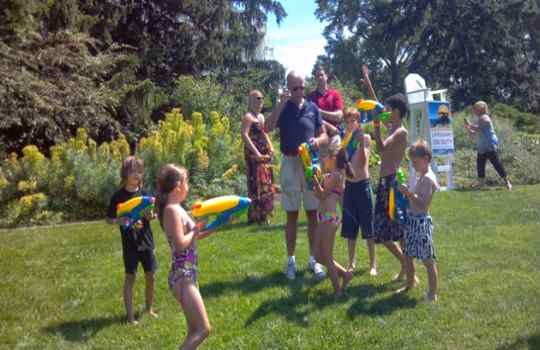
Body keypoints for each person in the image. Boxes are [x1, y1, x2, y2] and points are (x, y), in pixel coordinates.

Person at [265, 71, 329, 280]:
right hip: (290, 162)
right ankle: (291, 261)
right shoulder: (283, 108)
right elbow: (267, 127)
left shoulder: (313, 107)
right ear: (288, 88)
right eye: (295, 88)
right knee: (292, 214)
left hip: (310, 162)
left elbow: (324, 135)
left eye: (302, 87)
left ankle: (314, 260)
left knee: (312, 213)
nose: (300, 92)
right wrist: (280, 104)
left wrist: (318, 142)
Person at [362, 66, 411, 282]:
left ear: (398, 112)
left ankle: (408, 269)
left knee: (396, 229)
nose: (386, 112)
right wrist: (367, 80)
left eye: (390, 109)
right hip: (385, 182)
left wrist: (375, 126)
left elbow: (381, 148)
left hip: (392, 184)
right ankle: (405, 266)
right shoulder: (392, 125)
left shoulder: (400, 131)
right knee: (383, 230)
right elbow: (376, 104)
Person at [156, 164, 212, 349]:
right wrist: (195, 231)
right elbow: (180, 243)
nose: (188, 186)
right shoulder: (171, 210)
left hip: (188, 274)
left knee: (193, 331)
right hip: (182, 277)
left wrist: (221, 221)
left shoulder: (178, 208)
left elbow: (196, 235)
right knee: (203, 329)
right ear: (178, 185)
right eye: (186, 181)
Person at [106, 156, 158, 324]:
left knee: (151, 275)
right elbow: (109, 219)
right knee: (130, 277)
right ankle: (130, 317)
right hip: (129, 243)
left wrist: (151, 216)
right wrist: (121, 221)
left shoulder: (144, 194)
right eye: (133, 171)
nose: (137, 174)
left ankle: (149, 308)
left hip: (146, 240)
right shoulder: (118, 197)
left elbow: (152, 214)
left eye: (140, 171)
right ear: (125, 174)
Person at [397, 140, 440, 302]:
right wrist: (407, 189)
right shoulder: (420, 175)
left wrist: (409, 194)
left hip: (421, 223)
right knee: (407, 255)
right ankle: (409, 283)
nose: (413, 165)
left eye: (415, 162)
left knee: (427, 260)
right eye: (412, 161)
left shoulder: (428, 179)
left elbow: (423, 204)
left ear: (426, 159)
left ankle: (432, 293)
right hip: (412, 220)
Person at [340, 108, 378, 277]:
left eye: (352, 121)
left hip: (362, 185)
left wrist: (361, 143)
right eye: (347, 121)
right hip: (349, 187)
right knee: (350, 228)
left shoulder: (366, 138)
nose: (349, 124)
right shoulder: (344, 141)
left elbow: (362, 163)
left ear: (358, 121)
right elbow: (341, 165)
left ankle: (373, 264)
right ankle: (351, 263)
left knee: (368, 227)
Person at [313, 147, 355, 296]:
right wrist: (316, 184)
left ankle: (338, 291)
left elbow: (324, 195)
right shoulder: (332, 175)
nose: (323, 160)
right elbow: (319, 195)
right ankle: (345, 274)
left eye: (326, 157)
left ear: (333, 159)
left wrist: (316, 181)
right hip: (323, 217)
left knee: (327, 256)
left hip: (329, 218)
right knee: (317, 255)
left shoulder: (336, 175)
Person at [242, 89, 275, 224]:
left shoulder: (260, 117)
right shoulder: (248, 117)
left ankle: (265, 214)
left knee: (266, 183)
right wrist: (256, 153)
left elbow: (264, 133)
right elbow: (244, 135)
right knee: (255, 183)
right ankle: (255, 216)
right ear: (251, 101)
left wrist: (271, 146)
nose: (260, 101)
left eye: (261, 98)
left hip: (263, 154)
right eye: (257, 98)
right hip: (253, 155)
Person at [464, 101, 512, 191]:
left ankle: (507, 182)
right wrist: (468, 128)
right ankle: (481, 183)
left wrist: (470, 125)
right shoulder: (479, 119)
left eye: (475, 108)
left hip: (489, 144)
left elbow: (479, 127)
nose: (473, 110)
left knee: (496, 164)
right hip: (482, 145)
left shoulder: (484, 117)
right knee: (480, 165)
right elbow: (474, 132)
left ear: (480, 109)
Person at [308, 67, 344, 158]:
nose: (320, 77)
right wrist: (329, 125)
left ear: (326, 76)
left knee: (337, 169)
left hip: (334, 137)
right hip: (319, 140)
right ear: (315, 78)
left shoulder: (335, 94)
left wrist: (319, 112)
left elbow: (339, 116)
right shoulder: (310, 97)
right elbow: (309, 118)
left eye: (322, 75)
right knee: (320, 170)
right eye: (317, 76)